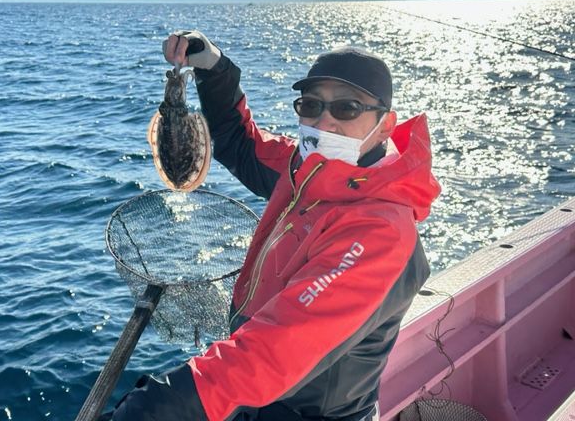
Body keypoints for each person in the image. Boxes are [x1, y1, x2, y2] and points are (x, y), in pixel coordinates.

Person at [101, 30, 441, 421]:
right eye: (311, 105)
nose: (324, 122)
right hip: (259, 399)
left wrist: (158, 405)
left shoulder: (381, 230)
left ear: (385, 125)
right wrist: (213, 68)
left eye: (346, 108)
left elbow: (279, 348)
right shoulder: (303, 170)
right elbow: (241, 144)